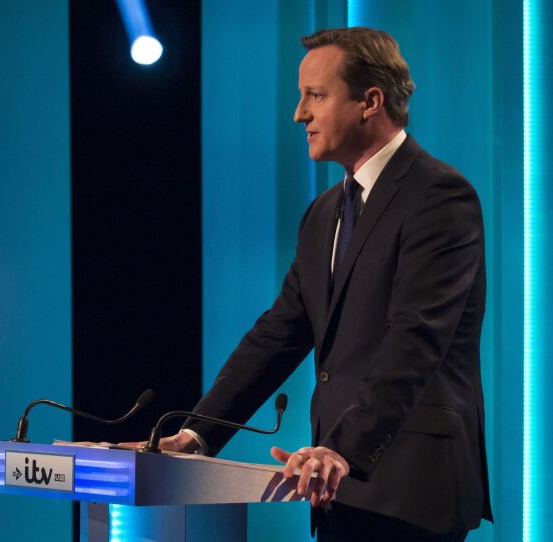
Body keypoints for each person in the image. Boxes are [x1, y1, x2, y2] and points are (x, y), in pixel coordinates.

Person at [152, 28, 492, 541]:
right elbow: (278, 333)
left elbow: (415, 339)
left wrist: (345, 449)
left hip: (411, 493)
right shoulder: (325, 212)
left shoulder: (439, 197)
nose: (299, 114)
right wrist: (198, 432)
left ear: (370, 102)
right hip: (334, 489)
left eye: (316, 95)